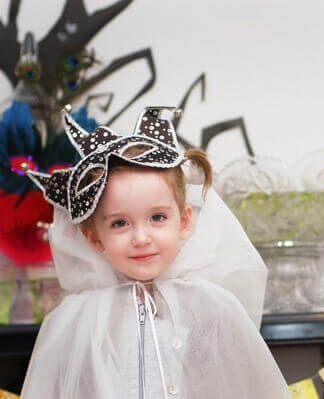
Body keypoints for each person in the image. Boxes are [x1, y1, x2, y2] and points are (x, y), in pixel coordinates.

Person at [20, 106, 291, 398]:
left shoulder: (210, 306)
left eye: (157, 217)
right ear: (95, 239)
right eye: (120, 223)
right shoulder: (79, 319)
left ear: (184, 221)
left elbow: (239, 384)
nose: (141, 238)